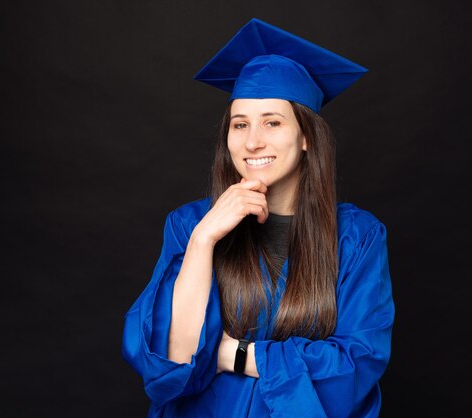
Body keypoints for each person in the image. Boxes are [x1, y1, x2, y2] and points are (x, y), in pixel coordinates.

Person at [122, 18, 394, 418]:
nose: (252, 141)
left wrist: (234, 354)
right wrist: (203, 241)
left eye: (272, 122)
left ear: (305, 137)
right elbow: (173, 362)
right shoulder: (190, 225)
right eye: (240, 124)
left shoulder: (356, 236)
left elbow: (355, 364)